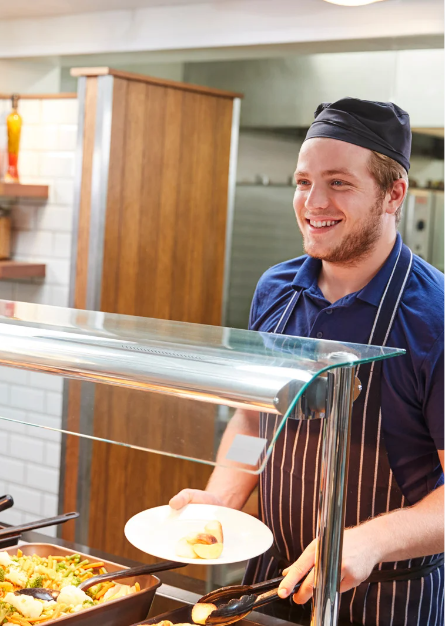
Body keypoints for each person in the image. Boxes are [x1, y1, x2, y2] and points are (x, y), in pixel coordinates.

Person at [170, 98, 444, 626]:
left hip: (389, 598)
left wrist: (371, 539)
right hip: (272, 582)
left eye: (339, 182)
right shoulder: (276, 291)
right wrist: (223, 496)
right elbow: (255, 422)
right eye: (302, 182)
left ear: (394, 194)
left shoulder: (434, 316)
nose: (312, 201)